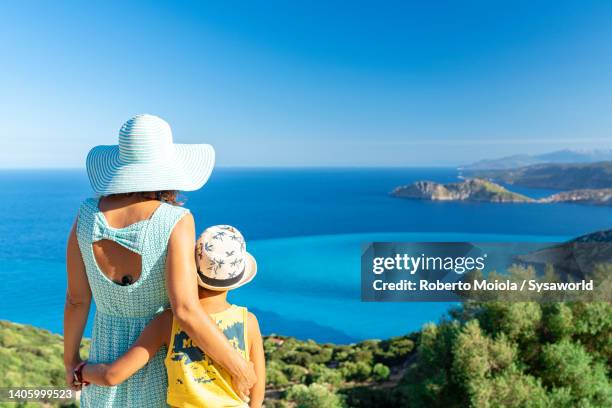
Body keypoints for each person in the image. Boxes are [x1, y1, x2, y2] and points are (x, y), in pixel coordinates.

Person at [64, 114, 256, 407]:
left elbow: (77, 300)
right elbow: (186, 310)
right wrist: (240, 367)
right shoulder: (175, 220)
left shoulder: (87, 215)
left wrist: (72, 364)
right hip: (159, 373)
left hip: (102, 371)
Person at [76, 225, 266, 408]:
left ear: (189, 268)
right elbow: (256, 384)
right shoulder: (248, 322)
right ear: (236, 280)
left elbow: (112, 376)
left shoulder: (167, 322)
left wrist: (80, 371)